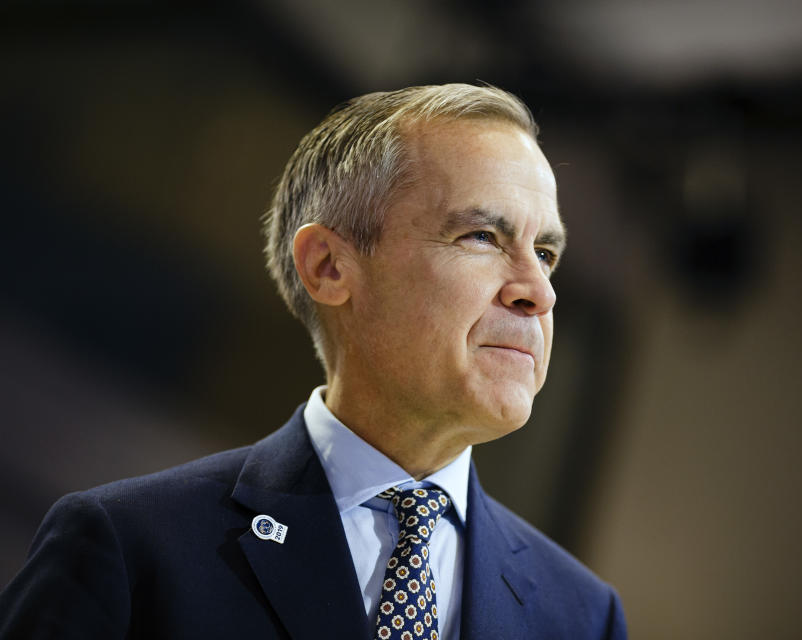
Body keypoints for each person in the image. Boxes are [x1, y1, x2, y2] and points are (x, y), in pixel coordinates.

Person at [0, 83, 627, 639]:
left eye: (545, 253)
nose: (538, 292)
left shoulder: (582, 616)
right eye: (482, 237)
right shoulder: (131, 550)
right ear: (329, 266)